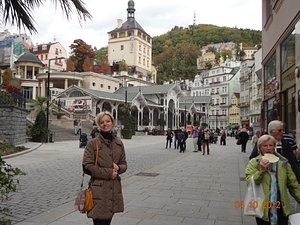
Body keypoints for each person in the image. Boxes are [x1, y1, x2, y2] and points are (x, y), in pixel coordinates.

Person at [82, 111, 127, 225]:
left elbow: (124, 164)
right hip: (99, 191)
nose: (105, 124)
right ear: (98, 125)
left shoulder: (119, 143)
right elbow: (86, 167)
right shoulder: (93, 143)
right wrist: (108, 173)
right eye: (101, 122)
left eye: (107, 121)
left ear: (112, 123)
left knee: (108, 222)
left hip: (114, 190)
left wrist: (119, 168)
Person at [245, 134, 300, 225]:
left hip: (281, 206)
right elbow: (251, 182)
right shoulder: (254, 163)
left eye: (271, 145)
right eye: (265, 146)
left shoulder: (283, 163)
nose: (268, 148)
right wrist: (261, 171)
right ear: (259, 148)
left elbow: (293, 185)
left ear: (274, 147)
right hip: (263, 207)